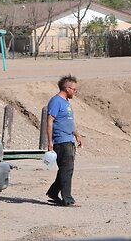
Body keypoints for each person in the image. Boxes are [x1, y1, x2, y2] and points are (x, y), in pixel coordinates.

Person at [46, 75, 82, 207]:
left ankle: (53, 192)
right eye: (74, 89)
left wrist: (76, 134)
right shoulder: (56, 101)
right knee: (67, 169)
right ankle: (67, 199)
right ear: (67, 88)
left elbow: (68, 121)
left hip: (69, 138)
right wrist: (50, 142)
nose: (75, 91)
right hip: (61, 140)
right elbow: (50, 121)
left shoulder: (66, 102)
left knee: (65, 169)